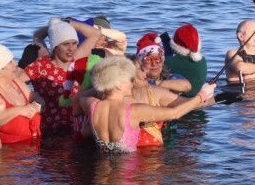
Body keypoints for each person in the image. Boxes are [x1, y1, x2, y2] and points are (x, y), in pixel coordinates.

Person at [85, 55, 216, 154]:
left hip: (100, 176)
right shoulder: (134, 111)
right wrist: (202, 95)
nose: (132, 82)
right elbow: (175, 113)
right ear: (118, 85)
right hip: (126, 174)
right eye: (129, 79)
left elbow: (79, 99)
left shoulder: (92, 105)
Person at [21, 17, 102, 134]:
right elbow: (14, 84)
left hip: (77, 129)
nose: (71, 49)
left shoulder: (78, 60)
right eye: (65, 44)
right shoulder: (40, 66)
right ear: (55, 47)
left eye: (74, 43)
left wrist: (69, 23)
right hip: (48, 130)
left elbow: (96, 34)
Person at [0, 36, 43, 144]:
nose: (16, 63)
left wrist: (38, 105)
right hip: (7, 153)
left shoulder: (16, 81)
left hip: (33, 147)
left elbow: (36, 98)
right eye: (10, 62)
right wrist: (21, 110)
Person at [162, 23, 208, 98]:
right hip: (196, 100)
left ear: (175, 45)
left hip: (174, 102)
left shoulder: (168, 61)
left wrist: (167, 55)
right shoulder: (202, 61)